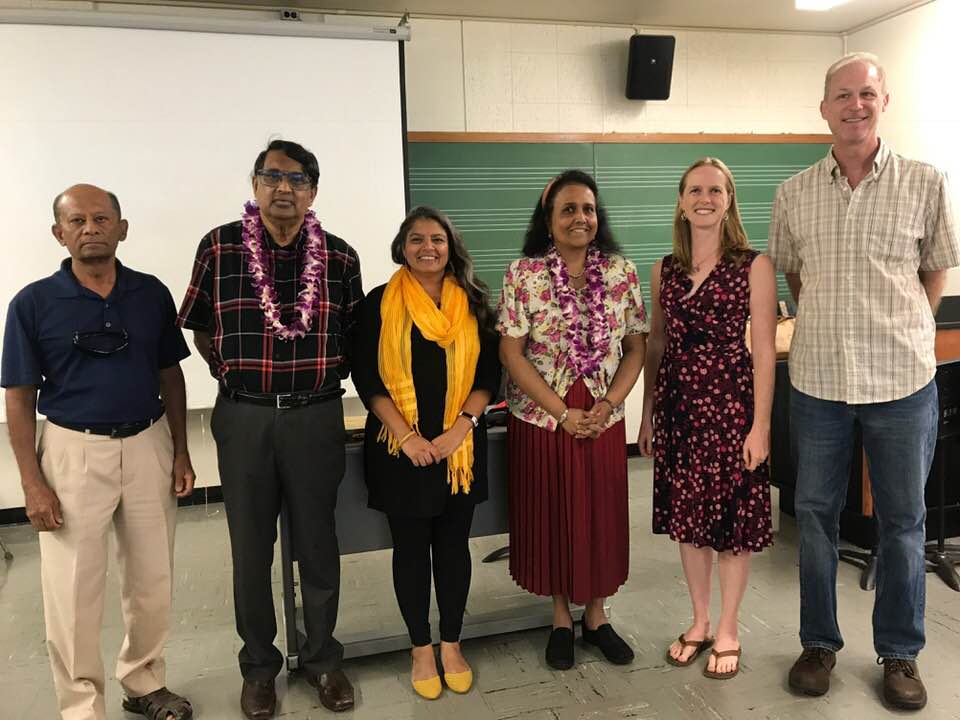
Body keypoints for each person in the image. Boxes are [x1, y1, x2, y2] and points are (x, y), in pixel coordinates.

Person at [769, 52, 959, 711]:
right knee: (815, 516)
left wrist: (903, 325)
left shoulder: (925, 182)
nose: (856, 104)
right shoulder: (793, 193)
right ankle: (819, 643)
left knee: (904, 522)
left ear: (885, 102)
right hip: (819, 382)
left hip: (903, 383)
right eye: (842, 95)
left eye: (867, 94)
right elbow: (796, 280)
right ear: (823, 109)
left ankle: (900, 654)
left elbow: (935, 272)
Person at [177, 140, 362, 717]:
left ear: (314, 190)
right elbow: (201, 328)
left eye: (298, 178)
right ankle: (259, 667)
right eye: (272, 176)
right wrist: (237, 376)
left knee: (318, 545)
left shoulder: (339, 256)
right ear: (254, 185)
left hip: (316, 415)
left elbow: (353, 338)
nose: (285, 188)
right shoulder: (220, 246)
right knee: (251, 550)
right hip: (246, 416)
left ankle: (322, 659)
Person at [1, 184, 195, 720]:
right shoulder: (32, 303)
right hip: (71, 450)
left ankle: (144, 682)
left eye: (102, 218)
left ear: (122, 227)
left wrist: (180, 451)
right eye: (78, 221)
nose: (91, 228)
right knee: (72, 590)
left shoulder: (150, 293)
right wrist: (31, 482)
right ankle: (82, 705)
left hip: (148, 442)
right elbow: (19, 399)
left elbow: (169, 374)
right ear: (58, 233)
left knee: (152, 578)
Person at [497, 169, 648, 670]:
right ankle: (561, 616)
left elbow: (636, 346)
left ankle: (598, 616)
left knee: (600, 514)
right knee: (552, 512)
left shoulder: (622, 272)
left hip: (602, 418)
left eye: (588, 208)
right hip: (544, 417)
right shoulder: (524, 274)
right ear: (548, 219)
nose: (580, 218)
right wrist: (561, 412)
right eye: (568, 209)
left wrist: (607, 406)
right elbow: (512, 352)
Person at [352, 206, 501, 699]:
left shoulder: (475, 303)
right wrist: (408, 437)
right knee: (412, 551)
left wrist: (461, 429)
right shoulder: (378, 303)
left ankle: (452, 643)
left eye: (437, 239)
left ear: (450, 246)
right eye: (416, 239)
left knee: (454, 549)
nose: (427, 248)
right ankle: (420, 647)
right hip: (401, 451)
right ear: (403, 246)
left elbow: (487, 379)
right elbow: (368, 379)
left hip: (459, 451)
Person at [637, 158, 776, 680]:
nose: (705, 197)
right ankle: (698, 623)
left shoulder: (752, 266)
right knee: (689, 523)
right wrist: (649, 413)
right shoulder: (664, 270)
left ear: (729, 200)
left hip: (731, 408)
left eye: (716, 190)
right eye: (695, 189)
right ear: (680, 200)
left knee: (732, 527)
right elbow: (657, 343)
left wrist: (760, 426)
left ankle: (729, 629)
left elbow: (764, 351)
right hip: (678, 410)